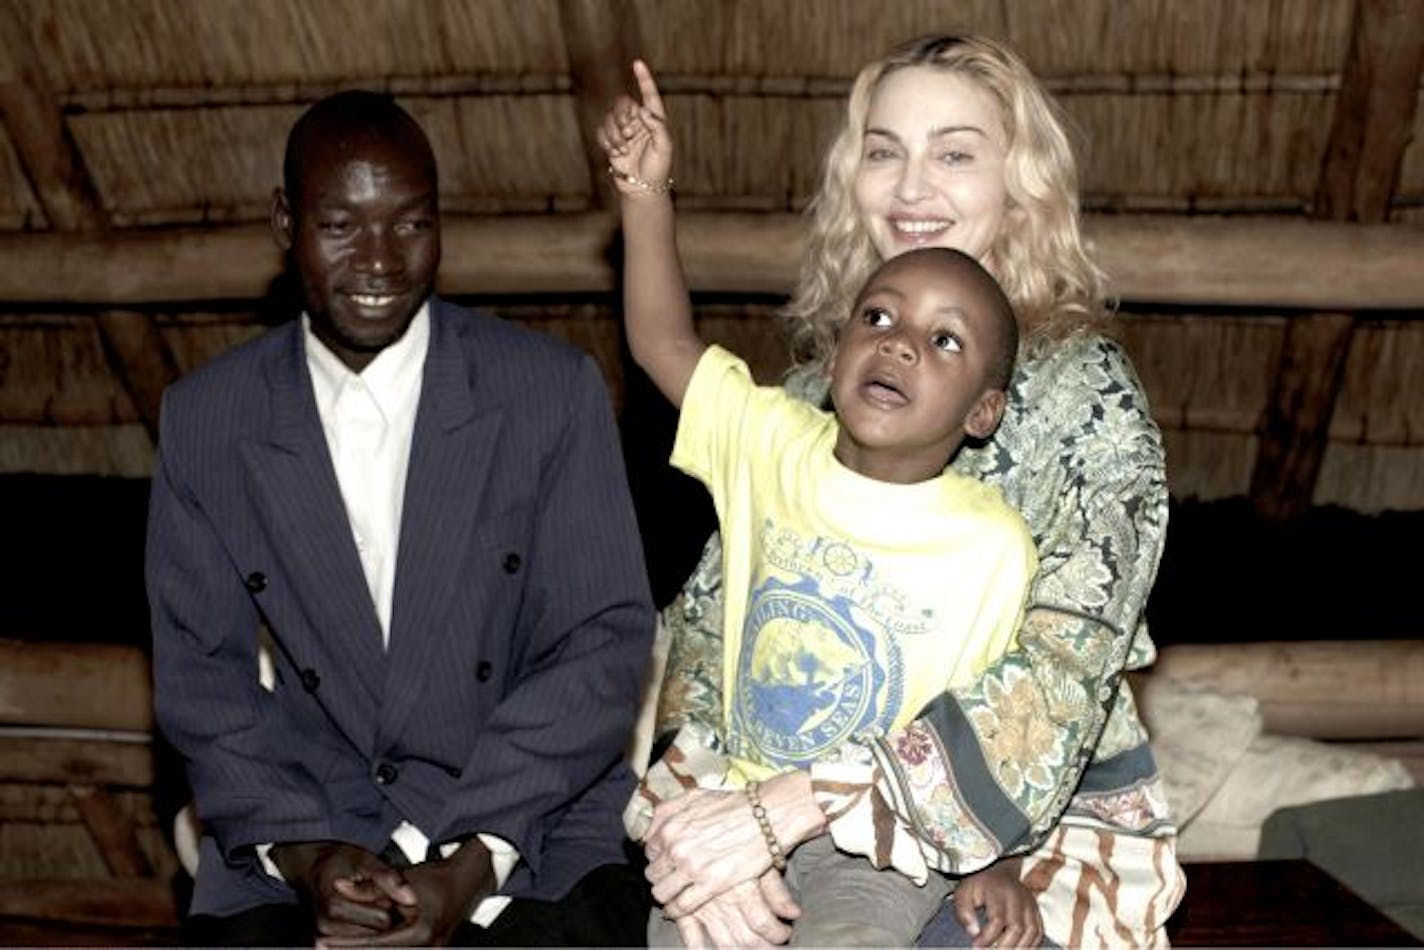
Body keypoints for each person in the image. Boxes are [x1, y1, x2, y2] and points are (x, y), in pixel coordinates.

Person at [633, 34, 1186, 949]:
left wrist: (792, 810)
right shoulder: (818, 392)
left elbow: (1054, 681)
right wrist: (709, 827)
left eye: (954, 153)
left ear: (1022, 183)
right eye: (883, 151)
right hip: (766, 798)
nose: (909, 185)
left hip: (1015, 836)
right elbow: (710, 629)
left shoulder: (1088, 399)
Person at [146, 90, 655, 947]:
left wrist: (470, 859)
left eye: (411, 225)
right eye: (341, 226)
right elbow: (202, 678)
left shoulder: (546, 393)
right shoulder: (209, 418)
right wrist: (310, 855)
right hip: (308, 821)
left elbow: (600, 641)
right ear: (286, 223)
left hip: (523, 827)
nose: (379, 260)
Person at [603, 64, 1043, 948]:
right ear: (838, 348)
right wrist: (645, 191)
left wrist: (996, 859)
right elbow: (661, 342)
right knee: (680, 935)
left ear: (983, 411)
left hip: (875, 841)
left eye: (944, 340)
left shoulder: (990, 546)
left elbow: (988, 734)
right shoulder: (767, 439)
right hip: (730, 794)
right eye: (878, 319)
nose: (902, 347)